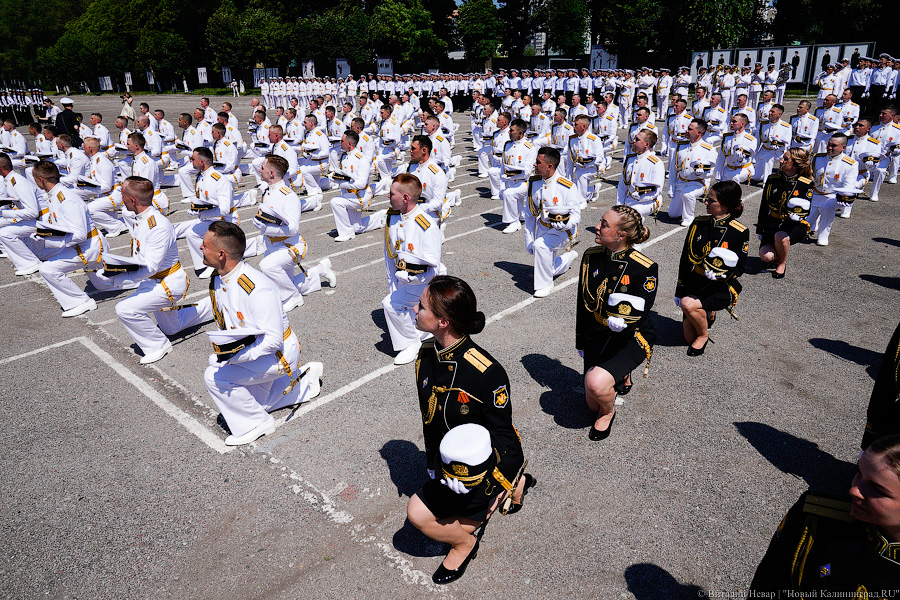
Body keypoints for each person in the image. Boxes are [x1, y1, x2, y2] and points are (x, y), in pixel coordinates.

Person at [407, 275, 534, 585]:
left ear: (442, 321)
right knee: (442, 519)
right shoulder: (425, 355)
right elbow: (432, 422)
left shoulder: (485, 372)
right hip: (446, 465)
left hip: (478, 473)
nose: (414, 309)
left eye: (421, 306)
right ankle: (515, 488)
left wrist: (494, 480)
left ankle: (466, 544)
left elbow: (505, 438)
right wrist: (432, 465)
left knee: (419, 516)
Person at [157, 221, 324, 446]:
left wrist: (233, 358)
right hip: (253, 350)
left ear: (222, 254)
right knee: (252, 403)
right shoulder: (219, 277)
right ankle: (305, 381)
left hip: (278, 355)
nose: (200, 249)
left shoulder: (257, 288)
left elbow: (273, 341)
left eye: (205, 246)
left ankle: (257, 424)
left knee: (216, 377)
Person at [749, 433, 900, 591]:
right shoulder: (819, 518)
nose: (854, 490)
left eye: (877, 489)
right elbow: (769, 581)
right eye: (859, 473)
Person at [86, 176, 188, 364]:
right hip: (153, 280)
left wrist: (115, 279)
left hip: (167, 282)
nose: (120, 199)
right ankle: (209, 308)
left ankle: (158, 345)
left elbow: (150, 267)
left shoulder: (157, 226)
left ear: (133, 200)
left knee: (125, 309)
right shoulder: (141, 217)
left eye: (122, 195)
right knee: (172, 328)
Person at [576, 205, 656, 441]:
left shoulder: (644, 267)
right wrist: (581, 340)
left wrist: (625, 324)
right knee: (590, 404)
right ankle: (618, 377)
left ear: (621, 235)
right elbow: (583, 304)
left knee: (596, 385)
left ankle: (609, 412)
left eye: (604, 224)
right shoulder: (591, 257)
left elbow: (642, 310)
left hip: (629, 337)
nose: (597, 227)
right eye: (600, 222)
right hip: (598, 334)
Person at [251, 154, 335, 313]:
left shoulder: (288, 196)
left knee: (267, 266)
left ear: (271, 173)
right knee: (280, 286)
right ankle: (319, 271)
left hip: (290, 246)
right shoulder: (268, 192)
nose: (259, 170)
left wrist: (264, 229)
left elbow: (293, 229)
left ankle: (293, 297)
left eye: (262, 168)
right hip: (273, 245)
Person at [675, 181, 749, 356]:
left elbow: (740, 268)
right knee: (686, 337)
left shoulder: (739, 231)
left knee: (688, 305)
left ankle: (703, 335)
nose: (705, 203)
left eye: (711, 201)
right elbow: (685, 259)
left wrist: (721, 274)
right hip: (696, 282)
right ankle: (706, 313)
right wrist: (680, 289)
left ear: (725, 205)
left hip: (720, 286)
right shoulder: (699, 223)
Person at [30, 160, 107, 317]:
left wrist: (49, 241)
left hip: (88, 247)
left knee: (47, 269)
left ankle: (82, 302)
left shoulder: (67, 199)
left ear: (41, 180)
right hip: (79, 245)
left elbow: (79, 234)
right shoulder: (55, 195)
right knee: (105, 285)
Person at [382, 173, 442, 365]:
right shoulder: (399, 218)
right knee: (398, 302)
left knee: (390, 304)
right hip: (408, 277)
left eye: (392, 194)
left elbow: (434, 266)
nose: (389, 197)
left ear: (405, 198)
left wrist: (412, 278)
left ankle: (411, 344)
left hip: (425, 282)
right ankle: (417, 333)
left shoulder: (425, 225)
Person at [756, 148, 815, 278]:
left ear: (795, 164)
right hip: (773, 223)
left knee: (781, 236)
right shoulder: (773, 179)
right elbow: (764, 206)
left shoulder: (805, 183)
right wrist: (760, 228)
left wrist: (798, 216)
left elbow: (807, 208)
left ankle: (782, 263)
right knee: (766, 256)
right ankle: (777, 256)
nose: (781, 161)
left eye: (786, 159)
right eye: (783, 157)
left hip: (793, 225)